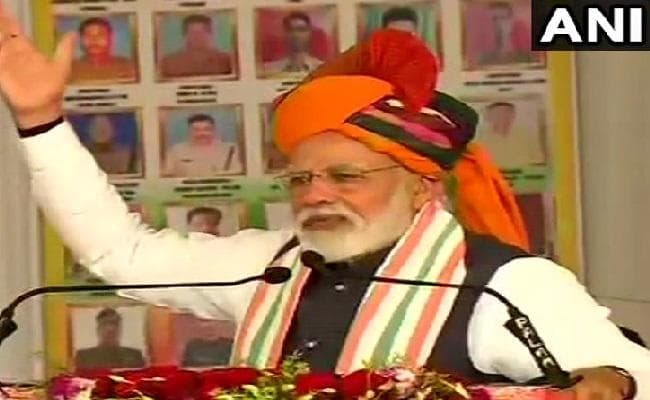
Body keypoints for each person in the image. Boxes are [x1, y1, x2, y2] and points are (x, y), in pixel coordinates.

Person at [0, 10, 647, 397]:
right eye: (301, 178)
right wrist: (40, 119)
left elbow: (626, 377)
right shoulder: (269, 267)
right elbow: (121, 254)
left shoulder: (507, 285)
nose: (316, 194)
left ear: (422, 185)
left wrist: (613, 379)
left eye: (345, 175)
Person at [164, 113, 242, 177]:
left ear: (213, 130)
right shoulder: (176, 151)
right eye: (196, 130)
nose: (202, 133)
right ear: (189, 131)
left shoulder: (231, 149)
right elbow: (167, 177)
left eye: (206, 129)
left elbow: (239, 175)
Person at [159, 14, 233, 79]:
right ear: (185, 35)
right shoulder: (170, 63)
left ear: (211, 34)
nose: (197, 37)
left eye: (202, 32)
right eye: (192, 32)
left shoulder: (226, 61)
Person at [477, 102, 545, 168]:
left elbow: (538, 160)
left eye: (507, 112)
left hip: (524, 173)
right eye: (497, 113)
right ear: (489, 117)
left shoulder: (527, 135)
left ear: (513, 115)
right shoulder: (481, 139)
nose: (502, 117)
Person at [74, 308, 145, 370]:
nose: (110, 329)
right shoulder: (84, 357)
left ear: (120, 329)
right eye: (104, 324)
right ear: (98, 330)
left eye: (114, 324)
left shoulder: (135, 356)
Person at [70, 17, 137, 83]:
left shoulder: (127, 66)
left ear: (110, 39)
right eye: (88, 35)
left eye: (100, 34)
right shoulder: (70, 68)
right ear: (80, 40)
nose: (94, 39)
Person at [263, 12, 322, 76]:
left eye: (301, 30)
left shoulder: (321, 68)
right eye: (290, 30)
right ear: (285, 33)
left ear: (309, 33)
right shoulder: (268, 69)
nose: (296, 35)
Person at [478, 2, 534, 67]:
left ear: (511, 21)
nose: (498, 23)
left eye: (503, 18)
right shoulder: (484, 59)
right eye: (494, 19)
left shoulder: (525, 56)